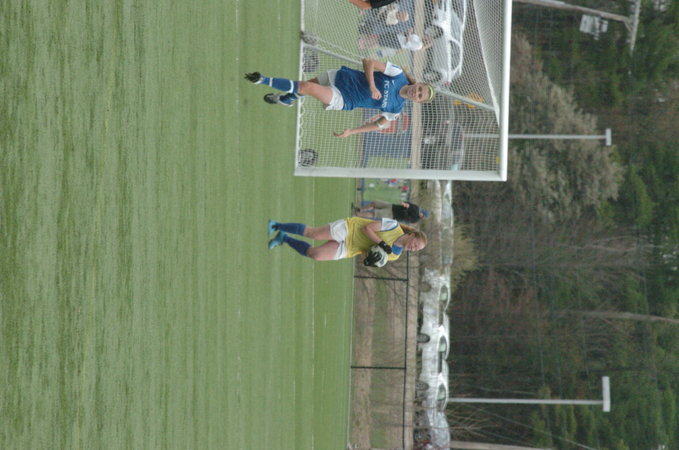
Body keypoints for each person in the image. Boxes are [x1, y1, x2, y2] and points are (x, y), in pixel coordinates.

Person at [244, 58, 435, 137]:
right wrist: (372, 85)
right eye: (419, 89)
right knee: (304, 86)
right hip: (342, 77)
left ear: (418, 101)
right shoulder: (398, 75)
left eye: (419, 96)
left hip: (344, 99)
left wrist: (352, 131)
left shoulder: (396, 109)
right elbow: (368, 62)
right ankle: (287, 100)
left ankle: (262, 79)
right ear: (418, 83)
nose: (416, 92)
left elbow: (378, 125)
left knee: (306, 87)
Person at [267, 217, 427, 263]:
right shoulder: (393, 226)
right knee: (313, 234)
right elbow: (367, 228)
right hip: (350, 229)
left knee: (315, 255)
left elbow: (369, 253)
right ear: (412, 235)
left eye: (416, 249)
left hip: (351, 248)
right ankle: (276, 226)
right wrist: (382, 243)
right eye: (415, 244)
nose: (413, 248)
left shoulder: (395, 255)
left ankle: (284, 238)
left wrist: (371, 259)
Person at [355, 200, 429, 223]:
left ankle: (357, 214)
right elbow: (409, 204)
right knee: (374, 203)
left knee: (374, 213)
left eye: (423, 214)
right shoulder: (417, 208)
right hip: (392, 206)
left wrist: (406, 209)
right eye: (422, 212)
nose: (421, 213)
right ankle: (359, 209)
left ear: (423, 217)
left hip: (392, 214)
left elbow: (406, 218)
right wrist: (405, 204)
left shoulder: (415, 219)